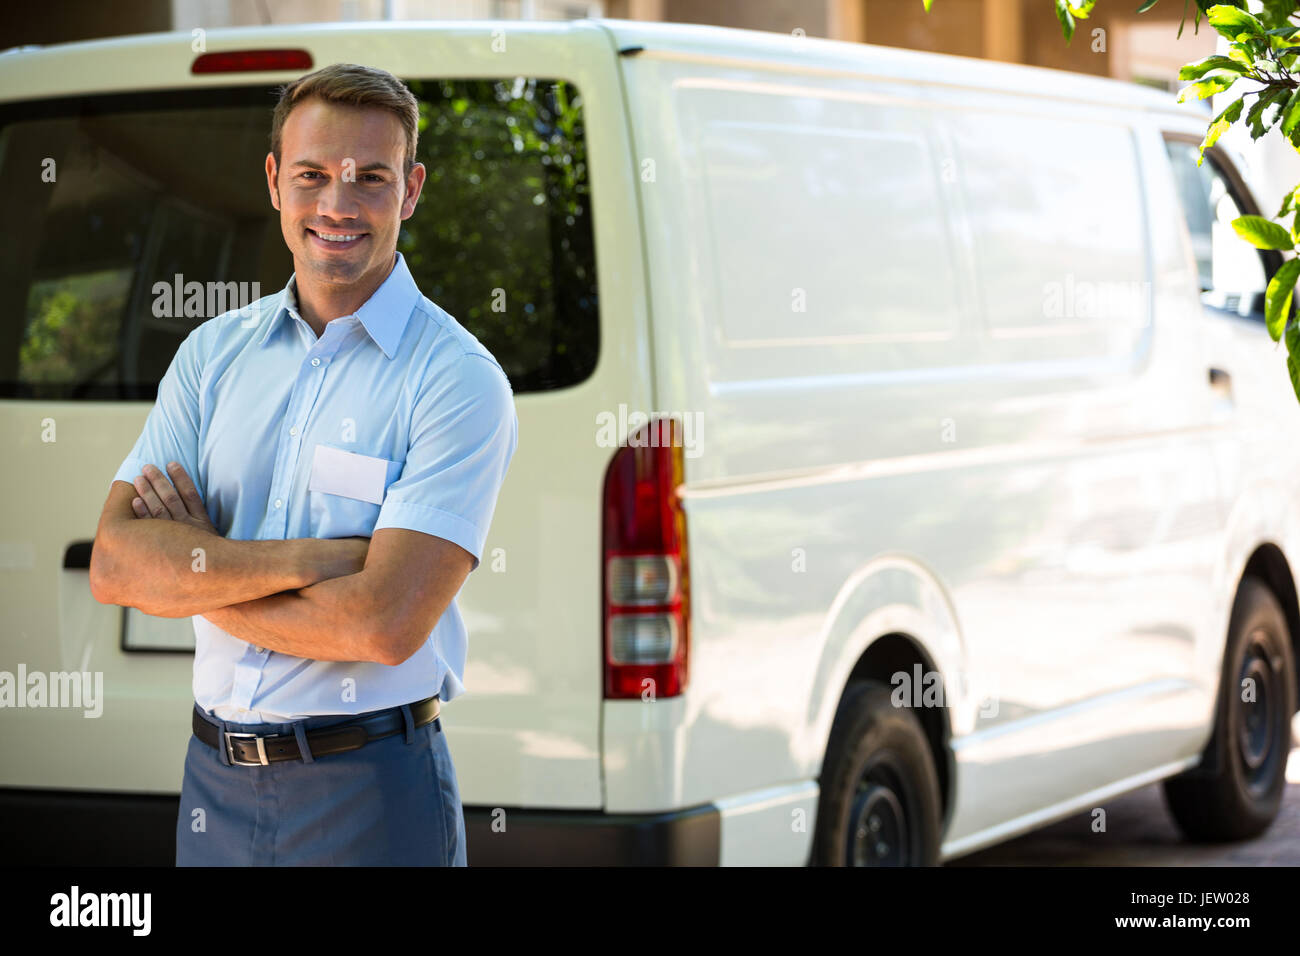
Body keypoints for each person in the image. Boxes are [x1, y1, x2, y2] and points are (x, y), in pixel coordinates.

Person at [88, 62, 518, 866]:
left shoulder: (457, 380)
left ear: (412, 189)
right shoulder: (212, 356)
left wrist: (192, 580)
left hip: (372, 795)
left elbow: (384, 626)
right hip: (212, 786)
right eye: (313, 175)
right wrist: (315, 564)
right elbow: (116, 567)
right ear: (275, 181)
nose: (337, 205)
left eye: (371, 178)